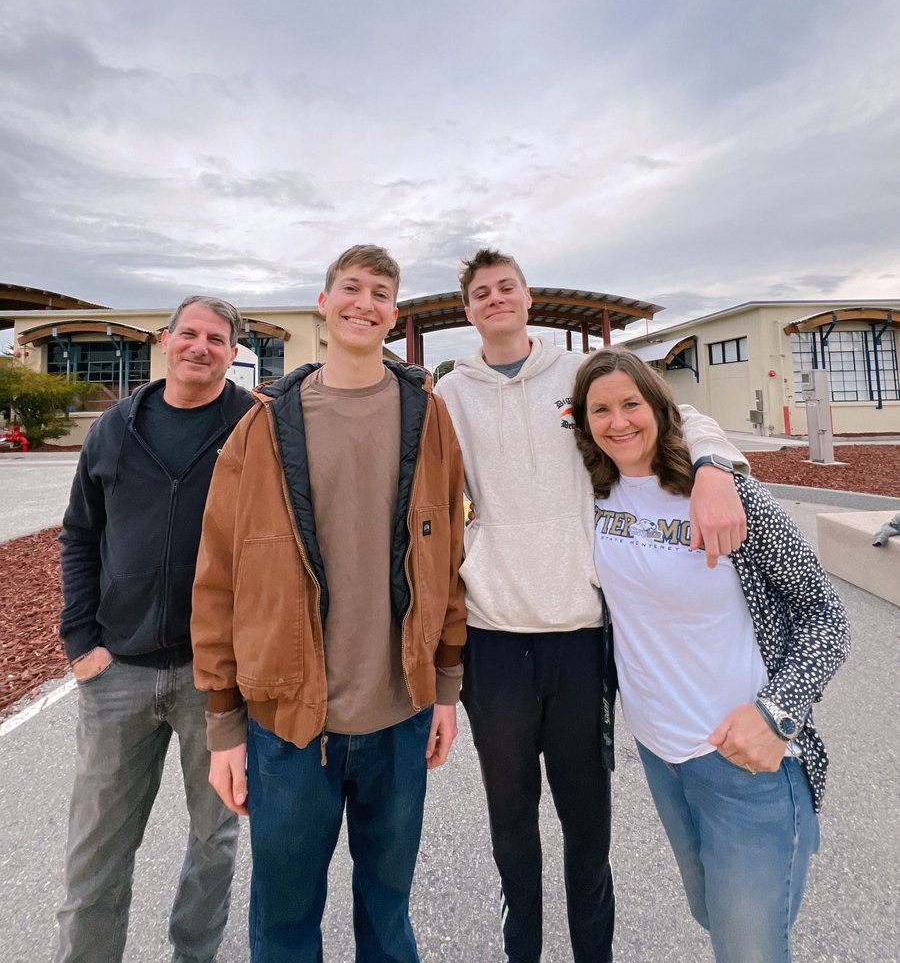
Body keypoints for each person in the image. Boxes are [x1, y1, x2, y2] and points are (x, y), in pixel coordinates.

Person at [435, 248, 749, 963]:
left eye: (505, 287)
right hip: (494, 634)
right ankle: (524, 951)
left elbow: (676, 411)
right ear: (469, 310)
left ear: (527, 297)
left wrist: (711, 466)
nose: (495, 300)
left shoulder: (574, 375)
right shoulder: (452, 393)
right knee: (510, 818)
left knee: (587, 824)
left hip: (581, 635)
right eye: (481, 293)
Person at [191, 244, 466, 963]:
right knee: (284, 922)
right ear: (324, 302)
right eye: (350, 288)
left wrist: (445, 687)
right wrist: (223, 724)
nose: (363, 303)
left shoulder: (427, 417)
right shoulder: (262, 425)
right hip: (288, 724)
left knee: (388, 914)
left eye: (380, 292)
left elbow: (450, 559)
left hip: (399, 716)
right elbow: (219, 576)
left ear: (394, 314)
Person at [571, 347, 850, 963]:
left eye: (631, 404)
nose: (618, 422)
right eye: (600, 410)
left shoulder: (728, 496)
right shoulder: (595, 493)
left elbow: (826, 617)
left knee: (749, 947)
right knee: (708, 912)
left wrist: (777, 715)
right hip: (661, 756)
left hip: (745, 764)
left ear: (658, 406)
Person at [57, 295, 252, 963]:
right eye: (189, 334)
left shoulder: (255, 428)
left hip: (216, 679)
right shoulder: (114, 429)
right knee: (97, 848)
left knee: (214, 842)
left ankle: (193, 956)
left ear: (234, 352)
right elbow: (80, 535)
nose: (201, 347)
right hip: (121, 673)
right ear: (165, 342)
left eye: (217, 339)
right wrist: (82, 644)